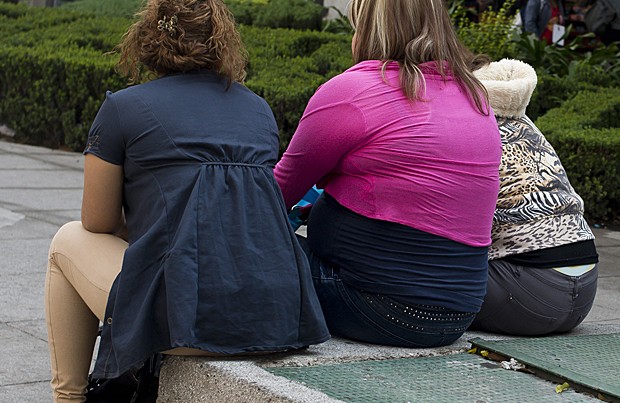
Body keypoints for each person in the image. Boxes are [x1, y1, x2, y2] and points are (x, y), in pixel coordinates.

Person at [44, 0, 330, 401]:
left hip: (191, 322)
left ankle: (69, 397)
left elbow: (98, 221)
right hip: (279, 317)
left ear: (146, 38)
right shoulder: (258, 109)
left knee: (67, 240)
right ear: (222, 42)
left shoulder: (122, 108)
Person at [274, 0, 502, 348]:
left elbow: (273, 197)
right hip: (458, 314)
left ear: (368, 26)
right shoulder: (474, 96)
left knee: (249, 250)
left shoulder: (351, 92)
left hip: (377, 308)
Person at [470, 58, 599, 336]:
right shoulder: (527, 126)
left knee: (430, 272)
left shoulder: (472, 129)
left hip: (531, 295)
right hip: (587, 289)